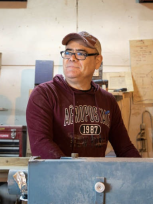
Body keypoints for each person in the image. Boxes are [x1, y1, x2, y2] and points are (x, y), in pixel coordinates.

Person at [26, 31, 141, 159]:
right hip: (56, 177)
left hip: (95, 178)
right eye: (68, 52)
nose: (72, 58)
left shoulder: (108, 100)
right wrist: (78, 174)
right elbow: (41, 146)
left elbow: (124, 148)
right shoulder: (44, 95)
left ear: (97, 61)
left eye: (81, 54)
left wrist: (145, 172)